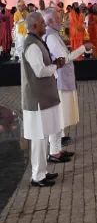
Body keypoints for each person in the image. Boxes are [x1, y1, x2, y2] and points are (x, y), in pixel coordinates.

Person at [20, 12, 66, 187]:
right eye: (41, 22)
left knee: (43, 135)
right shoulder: (31, 45)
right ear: (33, 26)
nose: (44, 25)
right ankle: (37, 176)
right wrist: (56, 65)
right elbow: (39, 71)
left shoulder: (37, 41)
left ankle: (43, 172)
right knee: (39, 139)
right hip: (36, 99)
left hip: (42, 98)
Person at [43, 10, 92, 161]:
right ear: (50, 22)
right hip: (59, 80)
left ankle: (57, 149)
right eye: (58, 18)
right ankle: (54, 152)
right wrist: (84, 48)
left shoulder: (54, 34)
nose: (61, 20)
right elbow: (65, 58)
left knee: (60, 116)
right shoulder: (50, 36)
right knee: (58, 116)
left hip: (63, 79)